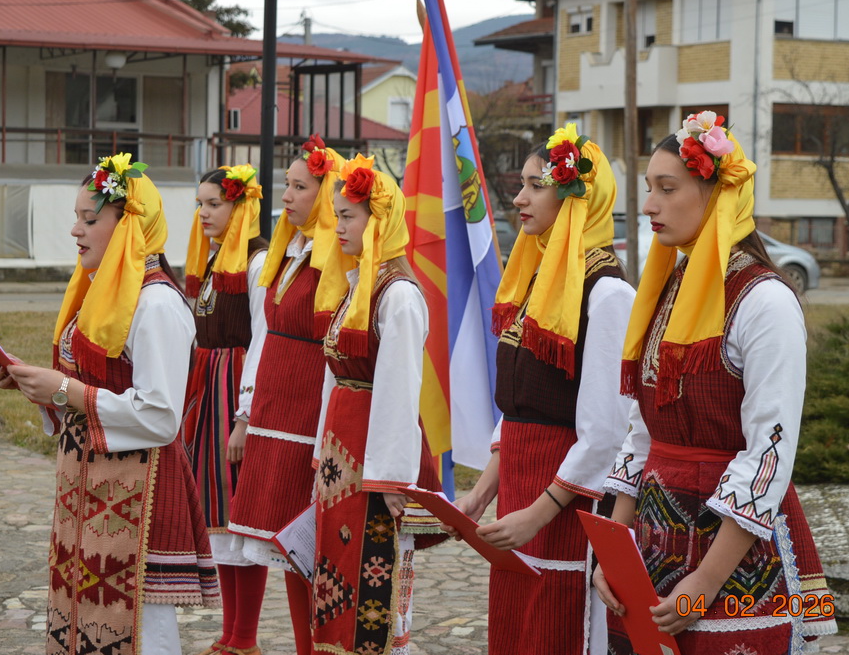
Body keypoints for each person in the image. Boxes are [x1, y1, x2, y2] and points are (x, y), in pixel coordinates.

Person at [593, 111, 838, 654]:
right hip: (653, 543)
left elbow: (768, 452)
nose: (650, 205)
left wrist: (704, 582)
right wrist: (617, 553)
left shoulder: (765, 300)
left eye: (667, 188)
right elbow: (642, 429)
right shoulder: (669, 290)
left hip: (735, 556)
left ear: (717, 194)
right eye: (648, 188)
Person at [0, 153, 218, 655]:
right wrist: (31, 384)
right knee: (81, 621)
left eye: (90, 219)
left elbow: (160, 415)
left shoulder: (155, 302)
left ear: (129, 224)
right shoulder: (103, 292)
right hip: (88, 490)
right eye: (76, 218)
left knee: (139, 631)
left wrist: (64, 392)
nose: (75, 230)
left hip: (138, 491)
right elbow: (84, 384)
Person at [451, 124, 635, 655]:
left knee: (557, 629)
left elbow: (603, 432)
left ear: (576, 197)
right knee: (516, 628)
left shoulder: (607, 293)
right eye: (522, 184)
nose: (519, 197)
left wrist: (540, 511)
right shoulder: (541, 279)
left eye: (536, 185)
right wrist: (483, 493)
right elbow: (520, 407)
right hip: (520, 491)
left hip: (564, 505)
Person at [309, 154, 443, 655]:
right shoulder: (357, 288)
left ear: (379, 220)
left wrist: (391, 479)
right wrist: (322, 450)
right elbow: (335, 374)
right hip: (342, 458)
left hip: (371, 458)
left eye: (348, 216)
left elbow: (399, 389)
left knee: (373, 583)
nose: (337, 226)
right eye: (337, 215)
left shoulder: (398, 295)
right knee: (333, 578)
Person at [225, 134, 345, 655]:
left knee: (309, 549)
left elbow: (334, 359)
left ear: (326, 193)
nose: (288, 196)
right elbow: (263, 338)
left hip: (305, 419)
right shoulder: (288, 254)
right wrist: (248, 412)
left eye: (300, 187)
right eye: (288, 185)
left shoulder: (334, 262)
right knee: (289, 547)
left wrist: (324, 437)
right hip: (276, 411)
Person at [183, 164, 268, 655]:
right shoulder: (214, 263)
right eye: (200, 204)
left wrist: (246, 415)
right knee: (219, 515)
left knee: (240, 513)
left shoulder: (255, 264)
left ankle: (247, 636)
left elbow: (262, 340)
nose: (204, 213)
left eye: (214, 203)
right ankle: (232, 633)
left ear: (240, 207)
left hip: (235, 390)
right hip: (208, 389)